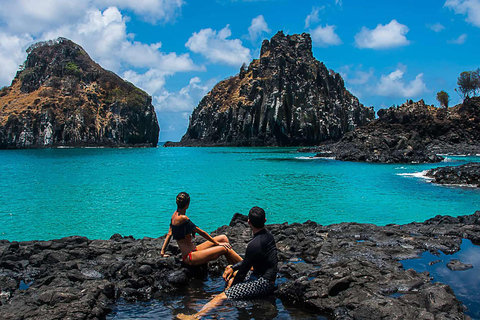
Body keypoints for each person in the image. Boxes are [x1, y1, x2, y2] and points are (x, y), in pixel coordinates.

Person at [177, 206, 278, 319]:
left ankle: (196, 316)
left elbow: (243, 272)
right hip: (262, 276)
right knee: (231, 272)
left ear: (248, 222)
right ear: (265, 220)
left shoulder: (253, 245)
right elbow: (247, 263)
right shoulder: (269, 236)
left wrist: (230, 292)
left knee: (220, 297)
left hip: (263, 283)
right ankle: (226, 307)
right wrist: (233, 267)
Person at [160, 192, 242, 266]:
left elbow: (169, 234)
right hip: (190, 256)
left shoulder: (174, 216)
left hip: (194, 250)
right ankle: (248, 267)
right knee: (225, 248)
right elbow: (201, 232)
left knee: (223, 238)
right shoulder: (183, 218)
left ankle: (233, 266)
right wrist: (217, 243)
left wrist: (162, 252)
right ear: (188, 204)